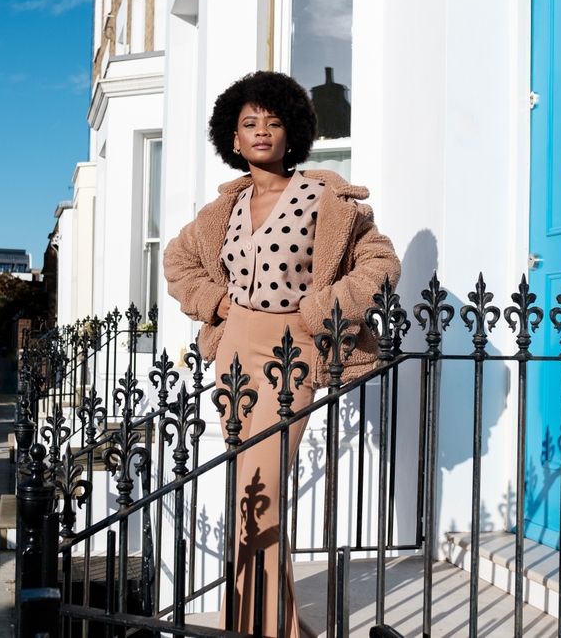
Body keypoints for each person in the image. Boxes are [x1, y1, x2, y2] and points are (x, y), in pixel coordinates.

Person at [163, 70, 400, 638]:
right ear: (234, 140)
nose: (261, 131)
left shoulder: (328, 197)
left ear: (292, 132)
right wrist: (215, 304)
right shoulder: (223, 209)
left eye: (272, 122)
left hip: (293, 350)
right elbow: (177, 263)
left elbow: (381, 265)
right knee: (247, 492)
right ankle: (263, 621)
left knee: (261, 490)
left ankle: (265, 627)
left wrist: (325, 310)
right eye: (249, 124)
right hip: (237, 349)